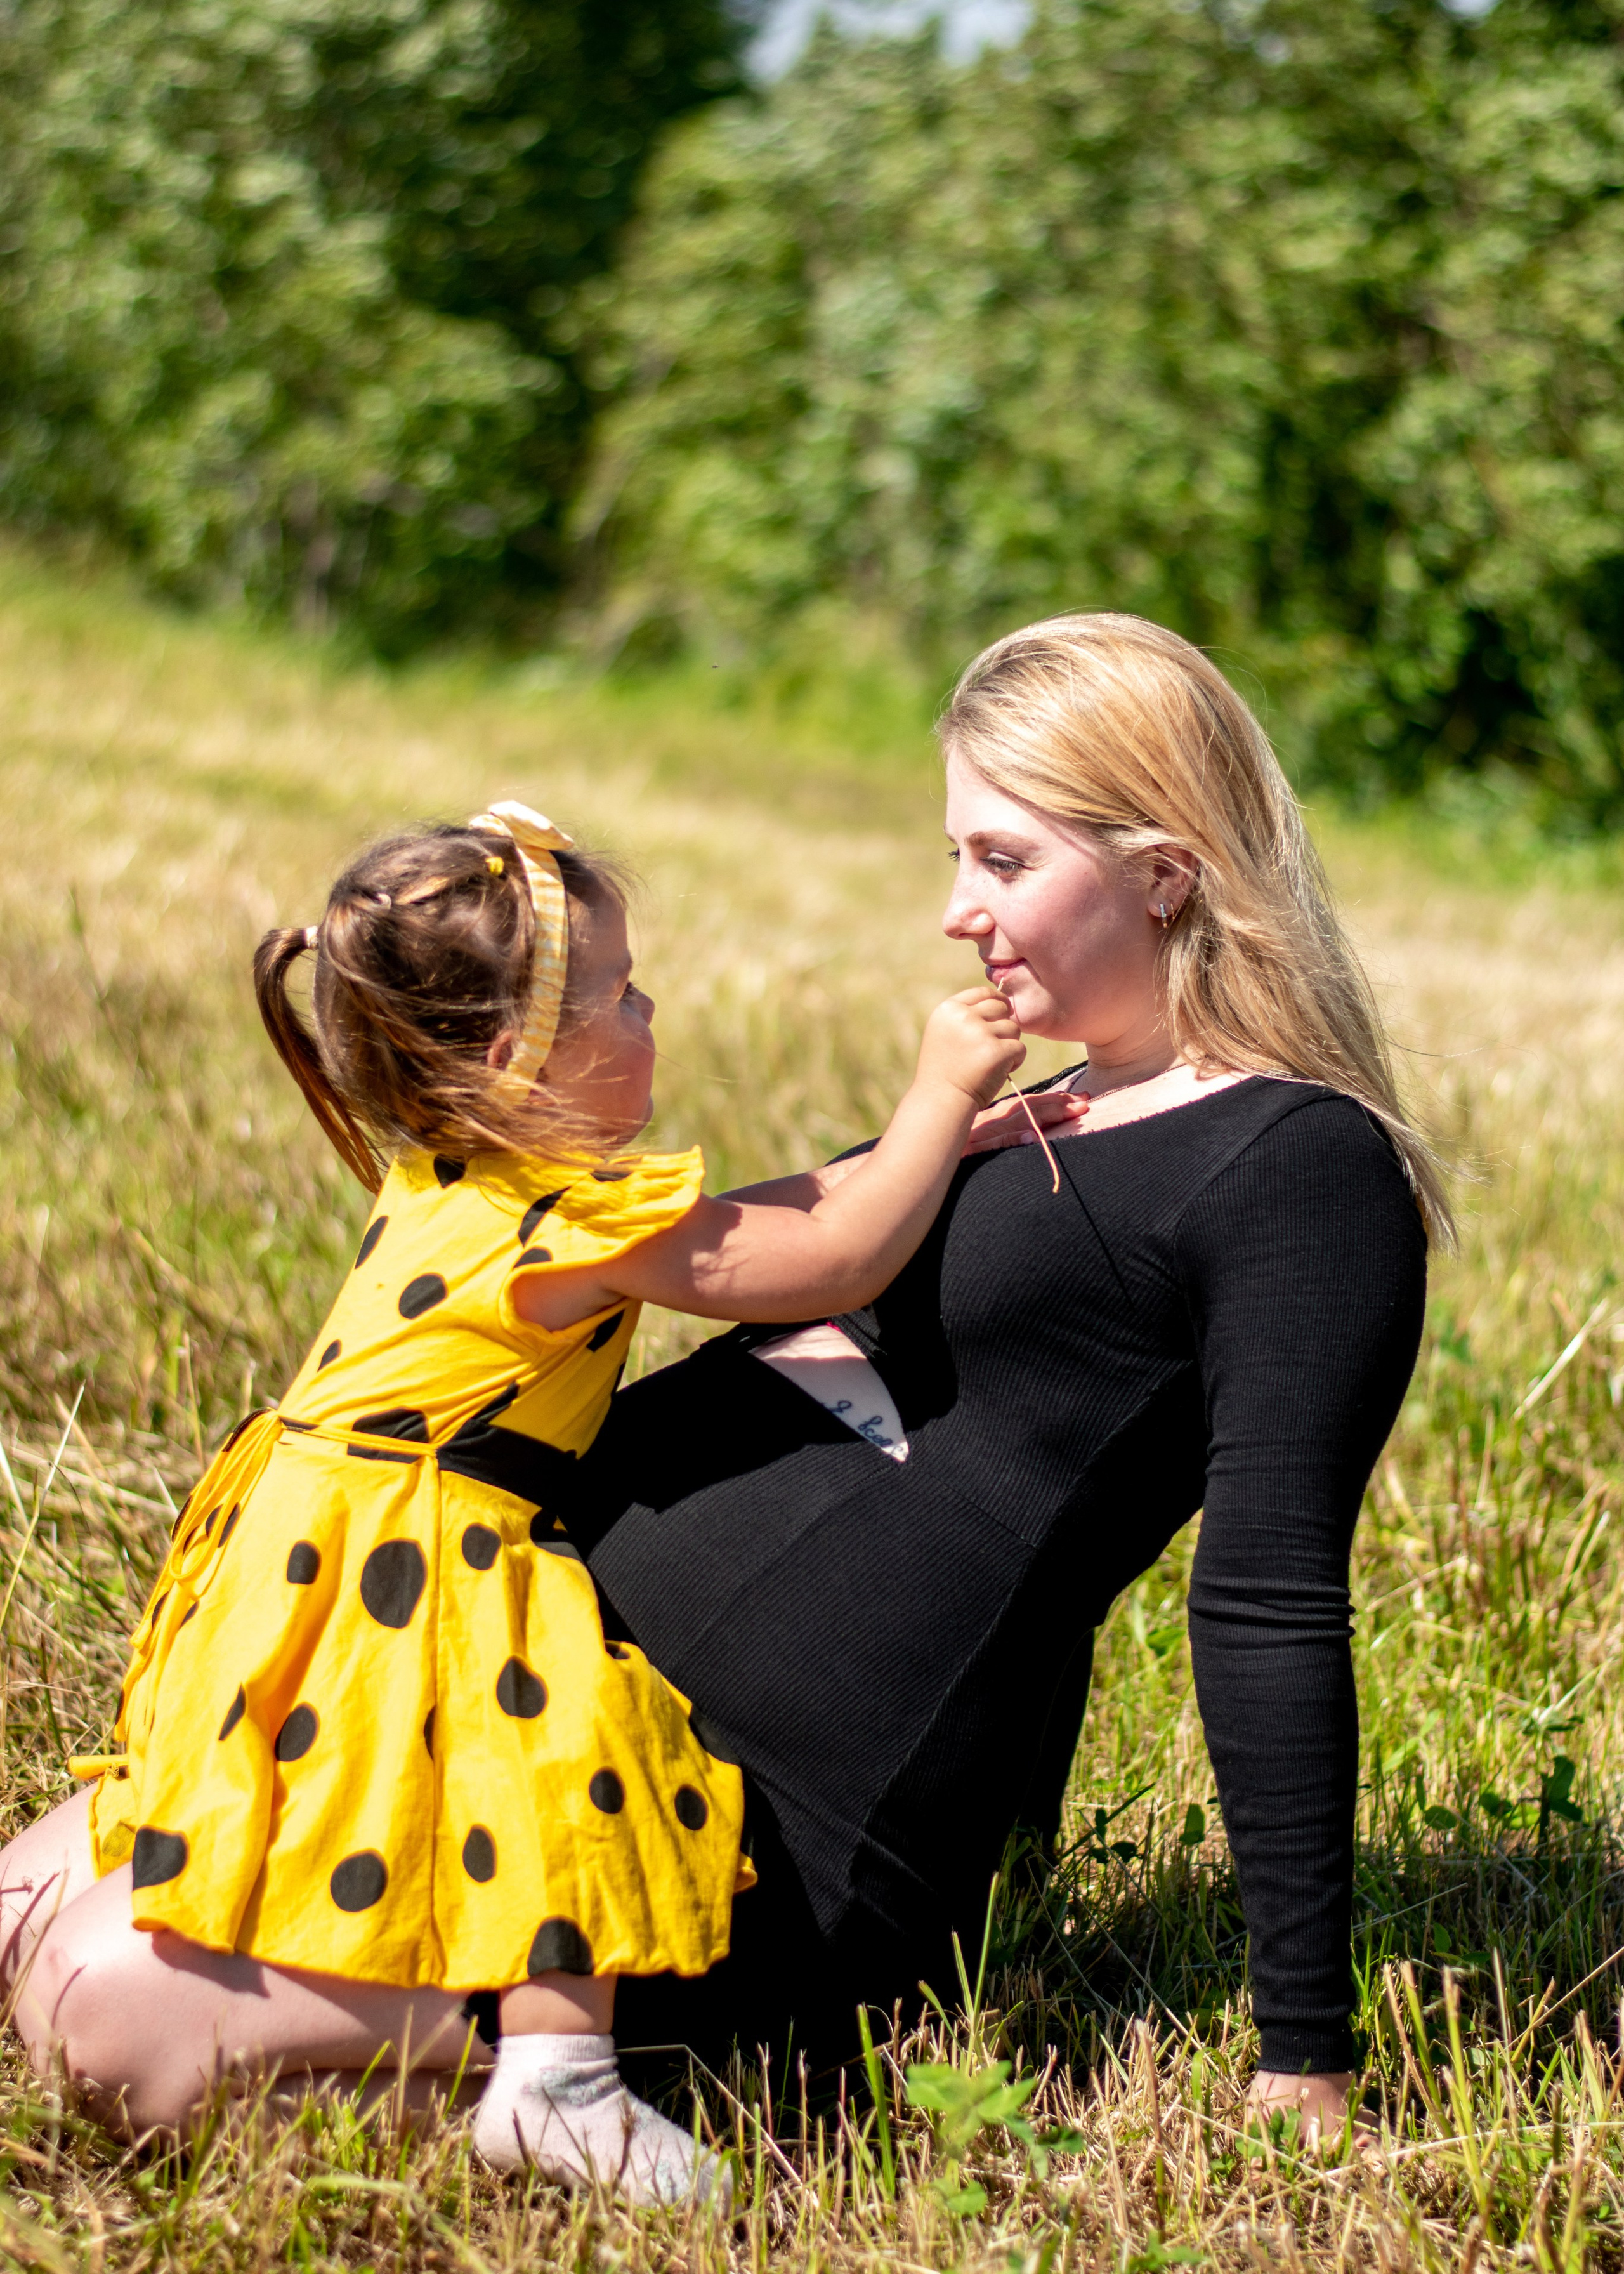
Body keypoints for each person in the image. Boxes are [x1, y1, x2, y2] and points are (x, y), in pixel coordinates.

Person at [0, 799, 1024, 2199]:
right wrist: (939, 1101)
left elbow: (737, 1220)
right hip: (431, 1540)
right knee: (553, 1758)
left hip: (305, 1525)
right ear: (509, 1060)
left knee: (316, 1774)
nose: (651, 1008)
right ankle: (559, 2076)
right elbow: (826, 1262)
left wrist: (898, 1167)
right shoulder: (558, 1228)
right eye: (617, 996)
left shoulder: (452, 1170)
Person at [561, 612, 1443, 2146]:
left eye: (1002, 861)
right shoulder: (1034, 1109)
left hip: (736, 1817)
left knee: (117, 2005)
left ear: (1164, 874)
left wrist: (1302, 2055)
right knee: (45, 1897)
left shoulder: (1296, 1162)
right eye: (955, 858)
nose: (955, 913)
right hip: (534, 1688)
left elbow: (1264, 1595)